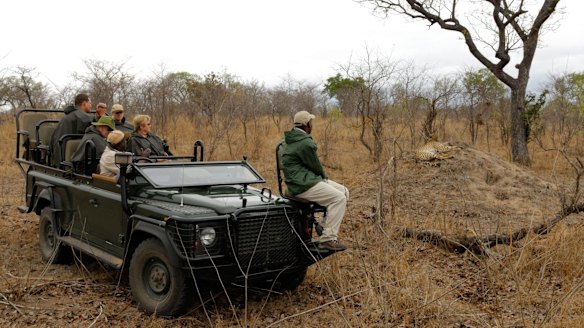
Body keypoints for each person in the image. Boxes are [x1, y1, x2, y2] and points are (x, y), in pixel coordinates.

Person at [281, 111, 349, 251]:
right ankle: (328, 239)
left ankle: (323, 226)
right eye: (311, 122)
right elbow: (316, 167)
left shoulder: (289, 139)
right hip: (303, 185)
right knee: (339, 198)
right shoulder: (305, 142)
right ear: (307, 125)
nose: (312, 125)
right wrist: (323, 179)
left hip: (298, 181)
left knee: (344, 190)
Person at [49, 93, 93, 167]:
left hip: (59, 154)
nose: (91, 105)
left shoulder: (70, 115)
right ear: (84, 104)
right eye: (90, 103)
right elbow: (90, 121)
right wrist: (100, 117)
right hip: (64, 157)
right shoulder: (79, 115)